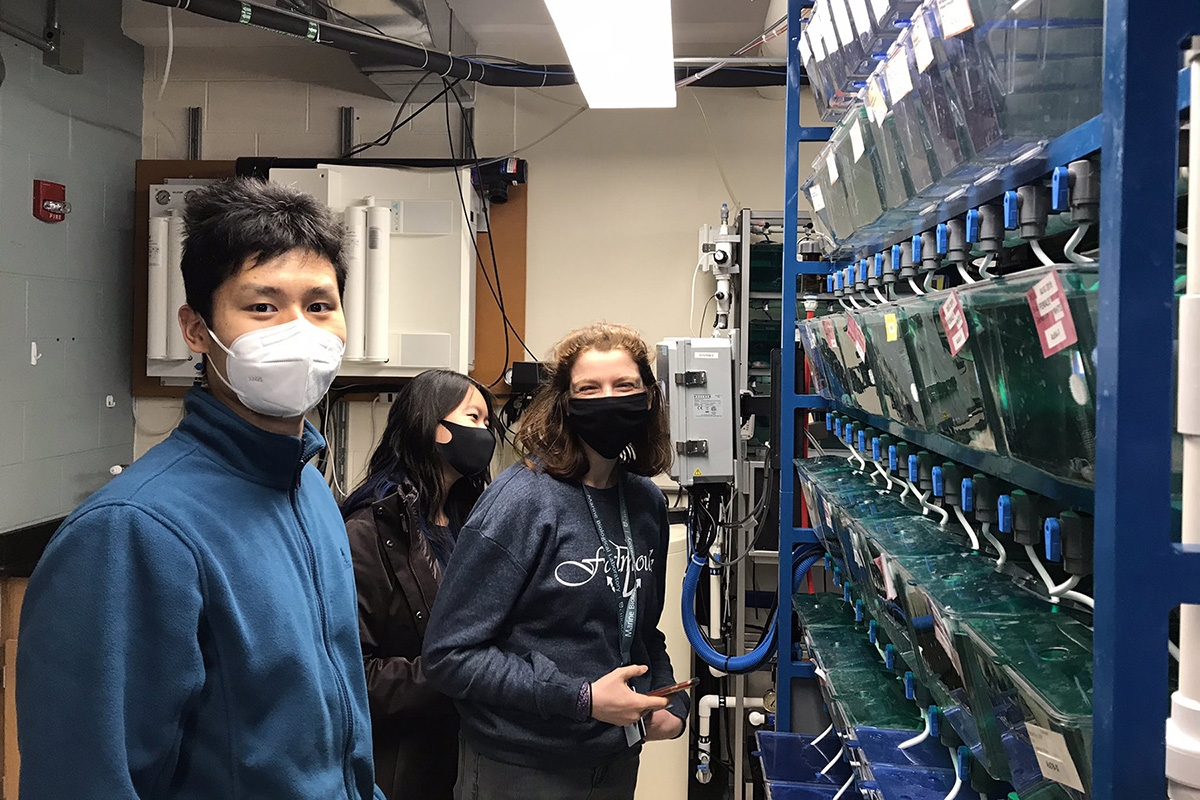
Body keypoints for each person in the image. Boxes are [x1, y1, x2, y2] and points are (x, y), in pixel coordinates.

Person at [16, 177, 384, 800]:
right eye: (262, 307)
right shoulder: (132, 532)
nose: (299, 332)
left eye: (319, 306)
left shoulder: (312, 494)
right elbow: (85, 778)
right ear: (195, 329)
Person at [423, 322, 691, 800]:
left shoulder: (646, 503)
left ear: (650, 398)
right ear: (565, 404)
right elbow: (449, 657)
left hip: (612, 761)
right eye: (589, 388)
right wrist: (581, 699)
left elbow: (640, 627)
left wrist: (667, 692)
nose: (608, 400)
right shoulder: (522, 501)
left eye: (624, 386)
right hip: (522, 765)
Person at [340, 369, 499, 800]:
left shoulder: (475, 520)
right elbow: (355, 674)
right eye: (473, 418)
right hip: (402, 768)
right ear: (432, 427)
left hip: (467, 754)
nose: (485, 433)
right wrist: (464, 673)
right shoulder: (369, 530)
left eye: (488, 423)